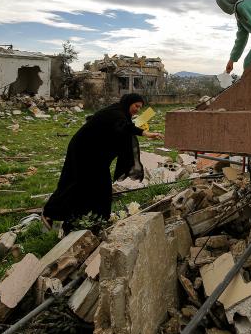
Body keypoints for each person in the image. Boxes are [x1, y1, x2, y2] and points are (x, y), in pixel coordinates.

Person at [42, 93, 162, 231]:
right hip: (83, 151)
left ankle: (95, 219)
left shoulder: (119, 113)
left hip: (95, 154)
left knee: (99, 185)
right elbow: (125, 127)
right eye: (136, 106)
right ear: (128, 103)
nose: (138, 110)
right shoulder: (116, 113)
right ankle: (50, 213)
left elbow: (120, 127)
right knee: (77, 182)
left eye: (140, 108)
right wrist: (146, 133)